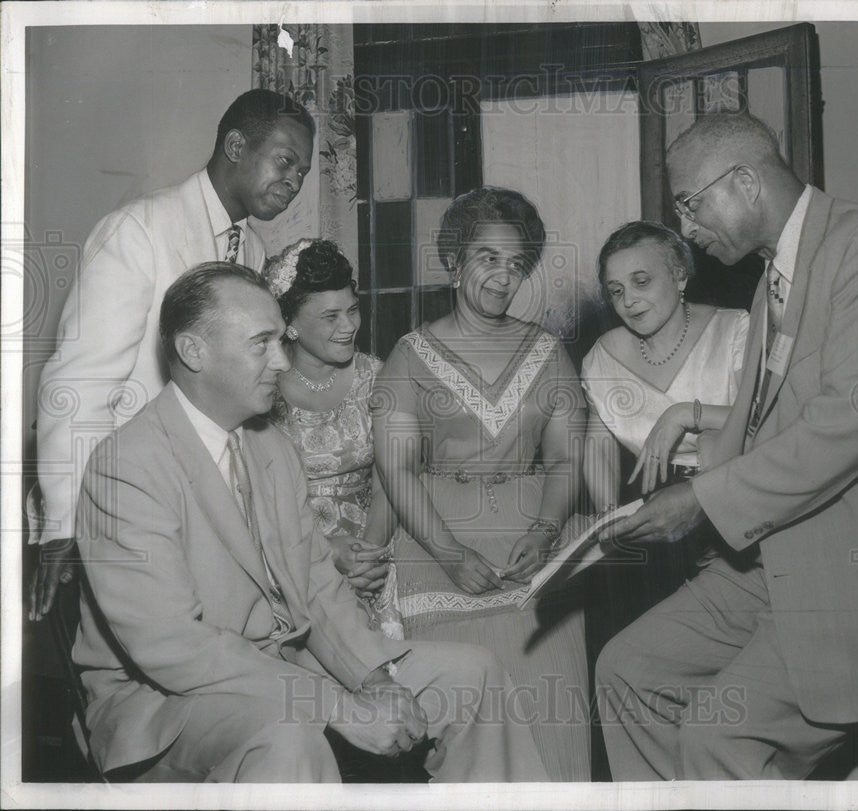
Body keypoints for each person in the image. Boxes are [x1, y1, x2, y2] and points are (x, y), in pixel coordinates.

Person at [72, 261, 549, 783]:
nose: (281, 361)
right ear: (193, 352)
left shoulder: (267, 444)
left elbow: (316, 585)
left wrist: (375, 677)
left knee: (474, 677)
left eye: (281, 340)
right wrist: (338, 707)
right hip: (166, 702)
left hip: (287, 665)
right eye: (262, 343)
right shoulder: (127, 468)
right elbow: (174, 648)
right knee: (289, 731)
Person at [595, 112, 858, 780]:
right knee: (627, 670)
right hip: (782, 558)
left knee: (718, 735)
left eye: (690, 204)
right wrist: (660, 496)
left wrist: (702, 498)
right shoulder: (775, 277)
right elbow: (763, 419)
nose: (686, 229)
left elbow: (846, 426)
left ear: (745, 182)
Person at [30, 89, 316, 620]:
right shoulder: (140, 230)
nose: (294, 182)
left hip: (204, 504)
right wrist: (65, 522)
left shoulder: (250, 251)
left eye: (302, 171)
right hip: (124, 498)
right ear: (235, 145)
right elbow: (80, 385)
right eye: (285, 161)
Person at [372, 187, 591, 781]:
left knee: (552, 717)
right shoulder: (409, 355)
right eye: (488, 258)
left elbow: (569, 457)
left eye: (516, 263)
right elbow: (393, 468)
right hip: (437, 549)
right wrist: (448, 552)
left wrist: (548, 531)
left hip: (534, 553)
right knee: (469, 735)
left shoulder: (549, 353)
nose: (503, 276)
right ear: (452, 260)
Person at [581, 221, 748, 635]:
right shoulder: (602, 357)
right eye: (616, 290)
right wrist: (606, 516)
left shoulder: (735, 329)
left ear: (679, 275)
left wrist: (682, 414)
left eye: (641, 281)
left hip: (734, 506)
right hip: (654, 524)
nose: (629, 301)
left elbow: (766, 418)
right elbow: (599, 445)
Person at [265, 238, 403, 640]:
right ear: (290, 323)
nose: (348, 326)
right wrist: (323, 550)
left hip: (376, 543)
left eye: (353, 310)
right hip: (292, 547)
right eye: (330, 316)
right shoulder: (263, 389)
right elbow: (257, 496)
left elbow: (392, 479)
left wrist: (368, 555)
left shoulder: (377, 377)